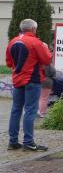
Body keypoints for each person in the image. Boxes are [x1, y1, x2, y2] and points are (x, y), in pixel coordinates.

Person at [6, 19, 52, 151]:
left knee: (16, 110)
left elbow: (9, 63)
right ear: (33, 29)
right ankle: (28, 142)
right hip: (32, 79)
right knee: (30, 110)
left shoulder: (12, 41)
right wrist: (46, 48)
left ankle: (13, 141)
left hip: (17, 79)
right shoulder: (36, 42)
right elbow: (47, 60)